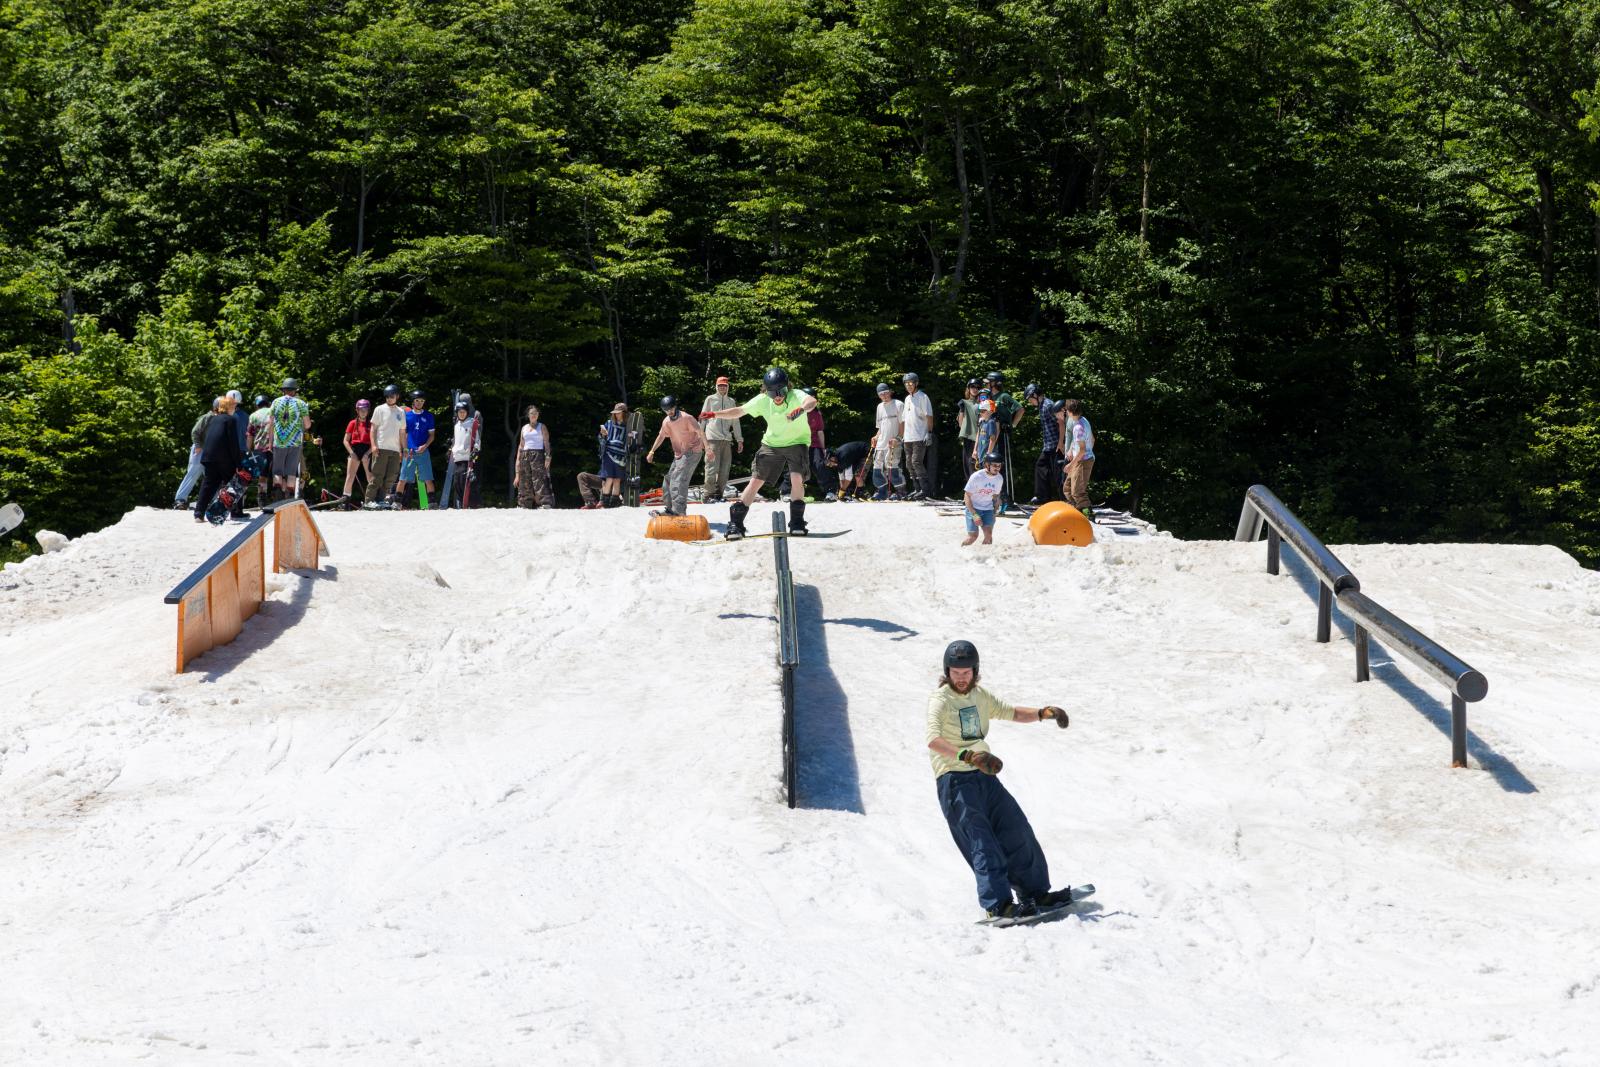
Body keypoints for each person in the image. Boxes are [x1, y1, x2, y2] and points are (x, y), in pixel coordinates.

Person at [926, 639, 1073, 921]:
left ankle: (1035, 892)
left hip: (985, 778)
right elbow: (933, 739)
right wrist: (968, 756)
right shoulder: (940, 700)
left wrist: (1043, 713)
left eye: (966, 671)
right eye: (955, 672)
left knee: (1016, 830)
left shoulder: (980, 696)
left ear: (975, 670)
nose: (960, 677)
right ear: (947, 671)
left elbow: (1011, 712)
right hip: (955, 781)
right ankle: (999, 905)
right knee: (983, 842)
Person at [701, 366, 817, 539]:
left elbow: (811, 401)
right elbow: (739, 411)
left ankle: (797, 522)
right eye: (772, 393)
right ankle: (736, 524)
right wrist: (714, 414)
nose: (777, 397)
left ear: (787, 387)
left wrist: (800, 410)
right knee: (756, 480)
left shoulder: (796, 395)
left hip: (797, 442)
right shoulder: (762, 400)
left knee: (796, 479)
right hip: (771, 443)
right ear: (766, 391)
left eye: (781, 391)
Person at [646, 395, 706, 517]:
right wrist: (652, 451)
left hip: (692, 452)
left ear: (675, 406)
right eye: (666, 410)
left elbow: (700, 432)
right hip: (679, 454)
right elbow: (661, 436)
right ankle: (670, 509)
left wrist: (709, 449)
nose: (669, 412)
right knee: (668, 480)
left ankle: (679, 511)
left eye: (671, 409)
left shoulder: (686, 418)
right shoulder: (666, 422)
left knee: (678, 480)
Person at [192, 395, 243, 522]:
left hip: (208, 457)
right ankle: (236, 513)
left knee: (208, 485)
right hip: (224, 459)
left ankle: (199, 513)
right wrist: (238, 463)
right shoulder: (230, 420)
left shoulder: (214, 419)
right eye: (234, 406)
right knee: (235, 484)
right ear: (229, 407)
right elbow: (233, 443)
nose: (235, 408)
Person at [268, 378, 318, 501]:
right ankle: (289, 498)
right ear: (294, 390)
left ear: (283, 390)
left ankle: (278, 498)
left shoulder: (275, 402)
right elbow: (307, 425)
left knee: (277, 471)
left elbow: (270, 424)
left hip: (279, 442)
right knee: (291, 472)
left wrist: (270, 443)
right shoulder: (301, 403)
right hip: (295, 443)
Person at [700, 376, 744, 502]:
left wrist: (739, 439)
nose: (722, 387)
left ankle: (718, 495)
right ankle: (708, 495)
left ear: (728, 387)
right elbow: (703, 417)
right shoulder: (710, 399)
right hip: (712, 438)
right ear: (716, 386)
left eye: (724, 385)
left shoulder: (731, 401)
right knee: (711, 468)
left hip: (726, 440)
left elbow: (736, 421)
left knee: (725, 469)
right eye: (720, 385)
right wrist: (700, 438)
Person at [985, 371, 1023, 512]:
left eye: (988, 382)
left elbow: (1020, 409)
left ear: (995, 383)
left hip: (1003, 434)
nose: (986, 384)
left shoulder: (1004, 396)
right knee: (992, 464)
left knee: (1003, 465)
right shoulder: (989, 397)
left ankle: (1008, 498)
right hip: (992, 433)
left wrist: (1012, 424)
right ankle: (997, 497)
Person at [173, 398, 219, 509]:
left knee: (212, 477)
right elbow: (195, 431)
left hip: (210, 451)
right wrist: (198, 446)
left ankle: (212, 500)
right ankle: (180, 499)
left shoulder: (221, 419)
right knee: (192, 474)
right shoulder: (208, 417)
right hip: (200, 450)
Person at [366, 385, 407, 505]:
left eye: (392, 396)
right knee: (377, 476)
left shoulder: (401, 412)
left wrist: (404, 449)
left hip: (395, 449)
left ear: (397, 396)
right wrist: (373, 446)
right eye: (387, 396)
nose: (389, 398)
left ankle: (381, 500)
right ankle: (369, 501)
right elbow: (373, 429)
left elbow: (402, 432)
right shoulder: (379, 409)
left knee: (391, 476)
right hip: (381, 447)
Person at [1023, 384, 1063, 505]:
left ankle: (1065, 499)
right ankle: (1042, 497)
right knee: (1041, 467)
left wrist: (1061, 443)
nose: (1030, 402)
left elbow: (1061, 422)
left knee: (1059, 473)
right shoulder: (1041, 406)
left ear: (1035, 395)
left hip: (1057, 445)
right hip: (1048, 445)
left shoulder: (1048, 405)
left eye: (1030, 399)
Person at [396, 390, 436, 505]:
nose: (419, 403)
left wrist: (425, 446)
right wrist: (403, 449)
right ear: (413, 401)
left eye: (422, 401)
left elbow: (432, 436)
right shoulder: (406, 416)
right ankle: (397, 502)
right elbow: (403, 434)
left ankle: (432, 503)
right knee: (403, 478)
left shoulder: (429, 416)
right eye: (417, 400)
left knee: (428, 478)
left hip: (423, 452)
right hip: (409, 452)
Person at [514, 404, 555, 508]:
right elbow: (521, 445)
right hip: (525, 455)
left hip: (538, 454)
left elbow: (546, 443)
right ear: (528, 415)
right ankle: (524, 503)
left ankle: (545, 502)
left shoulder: (542, 426)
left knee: (539, 479)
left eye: (536, 413)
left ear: (538, 415)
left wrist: (548, 456)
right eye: (532, 413)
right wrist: (518, 459)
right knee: (525, 480)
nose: (534, 415)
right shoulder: (524, 428)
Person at [900, 372, 934, 500]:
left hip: (920, 436)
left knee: (916, 462)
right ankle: (917, 489)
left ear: (916, 383)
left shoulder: (923, 397)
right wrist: (902, 436)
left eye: (910, 383)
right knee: (909, 463)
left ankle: (925, 490)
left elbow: (929, 415)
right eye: (906, 384)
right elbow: (904, 419)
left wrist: (929, 433)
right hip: (908, 437)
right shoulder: (907, 398)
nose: (908, 386)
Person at [870, 382, 906, 500]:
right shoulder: (879, 407)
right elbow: (880, 427)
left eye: (886, 393)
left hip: (894, 442)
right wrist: (876, 437)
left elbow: (903, 423)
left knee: (892, 468)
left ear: (890, 392)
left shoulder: (898, 404)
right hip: (881, 443)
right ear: (878, 395)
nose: (884, 396)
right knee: (877, 468)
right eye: (881, 394)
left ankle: (901, 491)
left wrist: (898, 438)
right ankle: (882, 491)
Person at [962, 452, 1005, 546]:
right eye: (995, 465)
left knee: (988, 536)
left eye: (999, 465)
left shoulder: (999, 478)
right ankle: (960, 553)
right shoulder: (977, 476)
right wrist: (974, 514)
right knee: (973, 537)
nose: (997, 468)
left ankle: (985, 556)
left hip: (988, 509)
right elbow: (967, 496)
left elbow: (996, 496)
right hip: (973, 508)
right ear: (987, 465)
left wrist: (994, 512)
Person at [1062, 399, 1096, 513]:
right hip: (1082, 458)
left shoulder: (1078, 428)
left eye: (1066, 410)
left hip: (1082, 461)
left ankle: (1088, 512)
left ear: (1070, 412)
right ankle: (1077, 509)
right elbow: (1092, 439)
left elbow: (1082, 451)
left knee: (1077, 491)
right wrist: (1071, 449)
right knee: (1067, 488)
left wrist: (1071, 465)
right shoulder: (1083, 420)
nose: (1065, 412)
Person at [451, 400, 486, 508]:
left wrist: (475, 450)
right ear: (457, 413)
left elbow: (477, 439)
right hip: (457, 457)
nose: (462, 414)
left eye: (464, 412)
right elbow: (456, 440)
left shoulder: (472, 423)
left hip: (467, 457)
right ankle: (463, 503)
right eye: (460, 412)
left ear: (467, 412)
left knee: (467, 481)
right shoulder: (456, 425)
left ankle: (473, 503)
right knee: (457, 482)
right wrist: (451, 450)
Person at [597, 403, 630, 508]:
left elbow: (631, 440)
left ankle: (614, 502)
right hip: (609, 453)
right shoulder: (609, 423)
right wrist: (602, 434)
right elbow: (601, 437)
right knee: (609, 478)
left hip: (621, 455)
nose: (616, 415)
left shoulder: (628, 426)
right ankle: (604, 501)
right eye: (615, 413)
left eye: (618, 413)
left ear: (624, 413)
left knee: (617, 479)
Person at [342, 399, 374, 503]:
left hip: (367, 450)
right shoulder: (352, 423)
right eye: (361, 409)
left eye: (365, 409)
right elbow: (345, 441)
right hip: (354, 450)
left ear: (368, 411)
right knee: (350, 476)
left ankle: (371, 500)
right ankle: (345, 500)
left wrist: (367, 454)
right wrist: (351, 453)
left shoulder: (371, 424)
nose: (363, 412)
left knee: (370, 477)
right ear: (357, 410)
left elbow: (374, 443)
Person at [246, 394, 274, 509]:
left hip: (259, 448)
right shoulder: (273, 412)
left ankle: (261, 500)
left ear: (257, 405)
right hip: (274, 447)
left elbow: (250, 434)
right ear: (268, 403)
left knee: (261, 475)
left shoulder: (253, 416)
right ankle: (279, 499)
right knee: (276, 474)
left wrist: (249, 450)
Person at [954, 379, 981, 484]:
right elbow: (961, 424)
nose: (975, 389)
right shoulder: (964, 402)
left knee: (975, 464)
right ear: (968, 388)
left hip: (979, 437)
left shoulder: (982, 403)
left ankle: (976, 493)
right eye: (972, 387)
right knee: (967, 464)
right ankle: (969, 493)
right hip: (967, 437)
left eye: (977, 387)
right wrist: (961, 410)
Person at [972, 398, 1000, 474]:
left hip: (988, 458)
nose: (980, 413)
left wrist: (988, 455)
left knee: (988, 477)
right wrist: (975, 450)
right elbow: (978, 436)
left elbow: (992, 439)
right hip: (981, 456)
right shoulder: (982, 422)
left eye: (982, 411)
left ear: (990, 411)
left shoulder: (991, 422)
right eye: (980, 411)